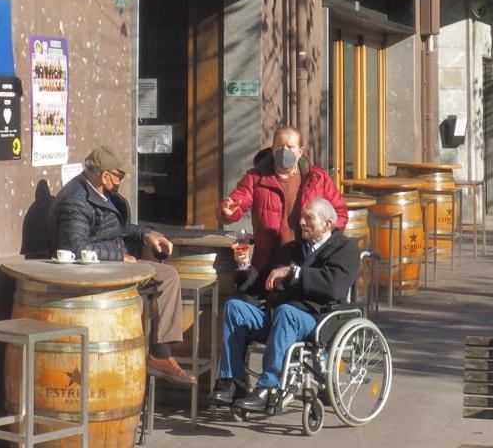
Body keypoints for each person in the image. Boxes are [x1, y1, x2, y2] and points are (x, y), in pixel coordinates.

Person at [49, 146, 194, 383]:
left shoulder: (104, 193)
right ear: (105, 175)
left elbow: (119, 228)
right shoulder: (75, 201)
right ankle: (131, 357)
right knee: (134, 300)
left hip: (117, 262)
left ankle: (160, 354)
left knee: (168, 275)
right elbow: (76, 248)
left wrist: (147, 234)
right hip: (95, 269)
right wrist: (117, 257)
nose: (122, 180)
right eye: (120, 175)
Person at [209, 197, 359, 410]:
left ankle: (269, 387)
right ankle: (232, 382)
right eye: (302, 217)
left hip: (316, 319)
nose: (302, 222)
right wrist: (245, 266)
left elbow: (335, 286)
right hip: (277, 315)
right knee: (235, 308)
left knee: (287, 312)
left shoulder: (345, 249)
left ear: (327, 224)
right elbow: (261, 285)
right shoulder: (292, 249)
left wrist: (294, 272)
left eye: (309, 218)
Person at [219, 127, 347, 272]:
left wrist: (324, 242)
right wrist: (228, 211)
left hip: (308, 261)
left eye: (290, 147)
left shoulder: (317, 178)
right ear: (273, 149)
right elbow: (238, 201)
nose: (284, 151)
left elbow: (340, 213)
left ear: (300, 152)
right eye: (280, 146)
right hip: (268, 260)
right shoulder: (256, 178)